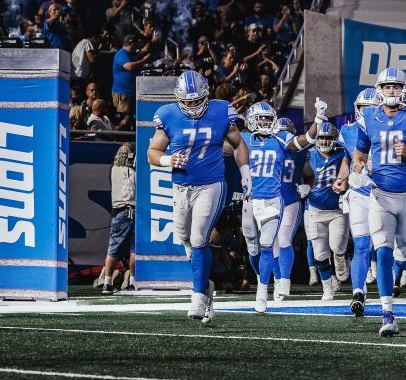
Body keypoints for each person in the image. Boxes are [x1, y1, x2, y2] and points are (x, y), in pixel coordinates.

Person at [147, 70, 251, 323]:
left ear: (206, 95)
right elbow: (152, 151)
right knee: (183, 236)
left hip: (211, 184)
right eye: (188, 101)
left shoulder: (221, 111)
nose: (192, 106)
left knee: (198, 237)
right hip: (181, 186)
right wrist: (167, 159)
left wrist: (245, 173)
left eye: (197, 100)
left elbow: (238, 143)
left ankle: (197, 298)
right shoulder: (168, 115)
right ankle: (206, 287)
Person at [346, 68, 406, 337]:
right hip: (380, 195)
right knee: (383, 252)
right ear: (380, 90)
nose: (391, 91)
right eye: (387, 87)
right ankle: (388, 315)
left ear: (404, 90)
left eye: (396, 87)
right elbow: (360, 152)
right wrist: (358, 166)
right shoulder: (369, 116)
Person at [241, 99, 326, 312]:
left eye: (269, 119)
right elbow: (223, 147)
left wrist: (317, 119)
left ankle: (263, 292)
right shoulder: (243, 140)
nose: (265, 122)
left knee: (269, 244)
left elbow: (305, 139)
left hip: (272, 198)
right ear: (252, 119)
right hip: (250, 200)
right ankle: (263, 275)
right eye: (261, 118)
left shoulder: (281, 138)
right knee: (252, 247)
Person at [338, 88, 382, 305]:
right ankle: (358, 292)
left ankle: (393, 280)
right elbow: (346, 159)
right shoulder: (347, 130)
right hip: (358, 193)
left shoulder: (389, 128)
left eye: (370, 109)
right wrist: (342, 179)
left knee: (389, 248)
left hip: (384, 194)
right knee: (361, 245)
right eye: (362, 108)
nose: (365, 113)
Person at [301, 121, 350, 301]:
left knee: (337, 246)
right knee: (320, 253)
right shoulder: (309, 155)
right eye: (321, 137)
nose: (323, 141)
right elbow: (304, 176)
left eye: (327, 138)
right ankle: (327, 288)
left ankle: (340, 257)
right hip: (315, 209)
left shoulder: (342, 154)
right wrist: (303, 186)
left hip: (337, 209)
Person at [270, 117, 308, 301]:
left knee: (284, 239)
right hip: (271, 200)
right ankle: (278, 279)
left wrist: (307, 185)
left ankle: (284, 280)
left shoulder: (299, 151)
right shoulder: (268, 147)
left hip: (291, 198)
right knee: (272, 243)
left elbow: (309, 173)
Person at [97, 143, 136, 294]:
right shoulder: (132, 172)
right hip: (131, 209)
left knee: (113, 249)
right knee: (134, 249)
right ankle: (132, 282)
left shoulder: (113, 170)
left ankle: (107, 283)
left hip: (119, 211)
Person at [112, 35, 152, 120]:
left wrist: (143, 51)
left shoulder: (129, 54)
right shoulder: (122, 53)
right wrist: (144, 61)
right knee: (125, 119)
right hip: (123, 93)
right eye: (136, 44)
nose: (137, 46)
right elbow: (129, 66)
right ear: (131, 44)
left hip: (130, 93)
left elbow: (135, 56)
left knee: (131, 117)